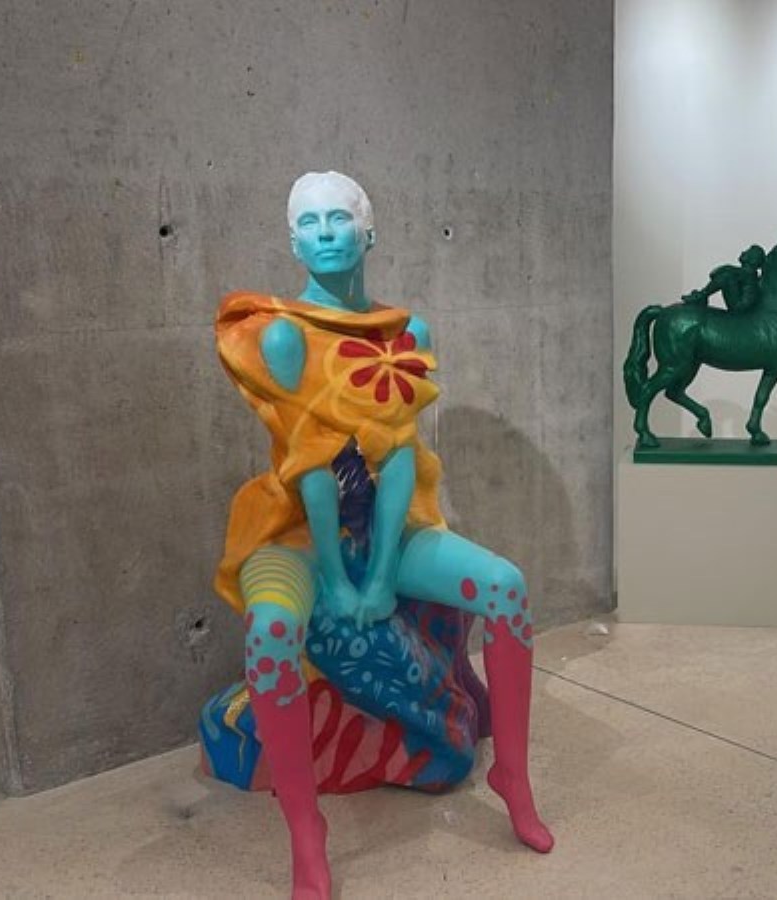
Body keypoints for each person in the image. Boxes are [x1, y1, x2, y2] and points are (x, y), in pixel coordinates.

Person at [214, 172, 553, 899]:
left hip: (392, 529)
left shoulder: (406, 334)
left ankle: (513, 776)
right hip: (297, 536)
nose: (326, 233)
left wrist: (379, 575)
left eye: (340, 218)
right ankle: (306, 833)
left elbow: (399, 456)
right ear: (292, 240)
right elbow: (311, 465)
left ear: (368, 232)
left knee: (506, 588)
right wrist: (341, 581)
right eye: (310, 223)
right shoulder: (282, 335)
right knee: (271, 631)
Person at [682, 244, 766, 313]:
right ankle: (702, 295)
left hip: (739, 307)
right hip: (739, 304)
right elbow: (714, 273)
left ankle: (701, 296)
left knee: (727, 277)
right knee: (727, 276)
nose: (743, 252)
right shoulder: (741, 272)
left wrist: (726, 270)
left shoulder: (748, 275)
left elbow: (715, 273)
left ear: (753, 260)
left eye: (747, 252)